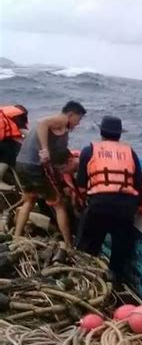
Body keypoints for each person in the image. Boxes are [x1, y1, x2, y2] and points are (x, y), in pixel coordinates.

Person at [75, 115, 142, 283]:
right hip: (126, 209)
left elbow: (82, 185)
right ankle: (115, 279)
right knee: (120, 248)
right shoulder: (130, 152)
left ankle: (84, 277)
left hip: (99, 206)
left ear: (101, 132)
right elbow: (139, 183)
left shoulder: (89, 150)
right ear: (119, 135)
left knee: (88, 245)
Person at [14, 101, 87, 247]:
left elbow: (58, 152)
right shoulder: (62, 119)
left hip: (21, 164)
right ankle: (68, 244)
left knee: (29, 199)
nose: (77, 124)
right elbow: (42, 123)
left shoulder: (60, 127)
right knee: (58, 203)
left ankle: (16, 237)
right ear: (71, 114)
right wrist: (45, 149)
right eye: (78, 120)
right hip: (34, 166)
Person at [0, 104, 29, 181]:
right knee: (9, 154)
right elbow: (25, 132)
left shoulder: (4, 114)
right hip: (4, 145)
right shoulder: (17, 115)